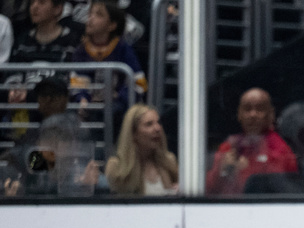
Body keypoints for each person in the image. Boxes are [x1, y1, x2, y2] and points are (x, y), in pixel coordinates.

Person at [68, 0, 147, 134]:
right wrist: (82, 99)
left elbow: (139, 82)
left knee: (113, 113)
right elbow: (77, 79)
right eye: (90, 14)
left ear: (112, 25)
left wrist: (118, 97)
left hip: (118, 106)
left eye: (98, 15)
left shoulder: (123, 49)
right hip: (90, 103)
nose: (91, 18)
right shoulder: (81, 50)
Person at [205, 87, 298, 195]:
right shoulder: (230, 145)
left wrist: (243, 170)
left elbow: (280, 190)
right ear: (239, 114)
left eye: (260, 109)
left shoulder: (280, 148)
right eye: (247, 109)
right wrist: (222, 171)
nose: (253, 115)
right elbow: (208, 190)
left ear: (270, 114)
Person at [4, 0, 80, 112]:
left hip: (58, 102)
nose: (34, 7)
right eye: (32, 3)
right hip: (25, 103)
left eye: (42, 2)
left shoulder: (72, 41)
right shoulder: (22, 40)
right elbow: (13, 72)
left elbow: (74, 75)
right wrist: (15, 89)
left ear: (58, 9)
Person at [104, 102, 177, 195]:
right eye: (149, 124)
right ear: (133, 133)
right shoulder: (117, 168)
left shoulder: (169, 162)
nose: (157, 128)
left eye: (158, 122)